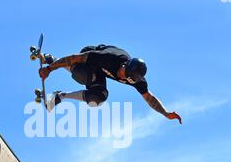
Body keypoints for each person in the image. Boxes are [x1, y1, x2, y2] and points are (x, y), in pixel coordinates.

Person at [39, 44, 182, 124]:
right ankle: (52, 59)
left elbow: (149, 98)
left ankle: (61, 95)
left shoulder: (137, 81)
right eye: (122, 71)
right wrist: (49, 69)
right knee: (85, 75)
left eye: (125, 77)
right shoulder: (109, 58)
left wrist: (166, 113)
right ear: (125, 64)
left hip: (100, 72)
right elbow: (75, 58)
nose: (120, 75)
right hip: (89, 57)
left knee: (98, 98)